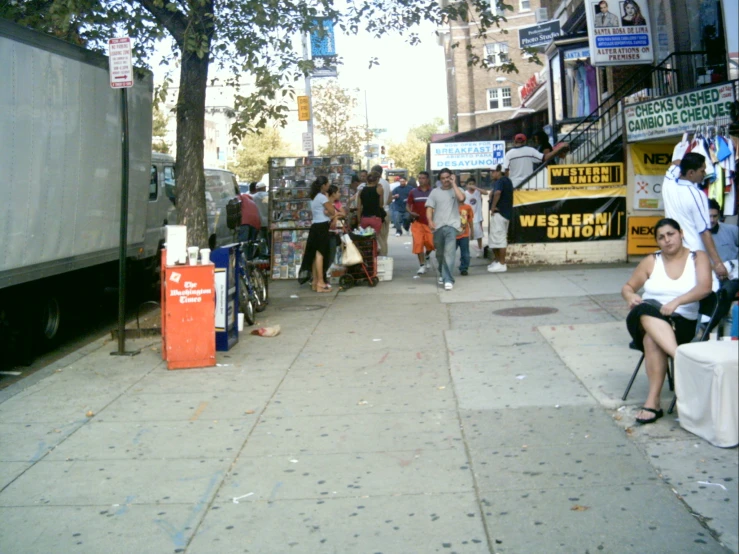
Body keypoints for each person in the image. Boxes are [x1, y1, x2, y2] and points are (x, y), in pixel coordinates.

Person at [621, 218, 711, 424]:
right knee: (644, 309)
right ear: (657, 242)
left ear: (681, 233)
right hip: (648, 318)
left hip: (683, 324)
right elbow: (627, 287)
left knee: (652, 339)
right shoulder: (652, 261)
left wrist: (677, 302)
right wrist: (629, 296)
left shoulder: (698, 257)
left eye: (671, 234)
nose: (667, 240)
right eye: (661, 237)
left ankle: (653, 403)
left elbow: (705, 287)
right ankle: (682, 359)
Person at [662, 152, 729, 281]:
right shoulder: (697, 195)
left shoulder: (668, 183)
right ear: (691, 173)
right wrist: (718, 263)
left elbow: (675, 162)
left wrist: (685, 162)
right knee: (707, 290)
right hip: (694, 253)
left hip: (673, 248)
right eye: (702, 171)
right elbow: (704, 231)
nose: (704, 174)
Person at [426, 168, 465, 290]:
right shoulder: (434, 192)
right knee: (440, 254)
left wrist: (454, 183)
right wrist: (430, 221)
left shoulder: (457, 190)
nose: (445, 180)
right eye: (442, 178)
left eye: (447, 177)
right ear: (440, 180)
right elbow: (428, 207)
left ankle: (448, 279)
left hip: (452, 226)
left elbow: (462, 199)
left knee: (449, 253)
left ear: (451, 177)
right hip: (438, 227)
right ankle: (443, 273)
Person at [297, 176, 334, 292]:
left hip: (315, 226)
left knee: (314, 255)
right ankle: (321, 283)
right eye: (328, 184)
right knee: (320, 254)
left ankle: (315, 282)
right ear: (323, 186)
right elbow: (332, 211)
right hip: (322, 227)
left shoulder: (314, 197)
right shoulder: (322, 197)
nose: (329, 186)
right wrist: (328, 202)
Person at [503, 134, 567, 188]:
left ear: (514, 142)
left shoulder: (509, 154)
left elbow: (506, 170)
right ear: (525, 141)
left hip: (514, 185)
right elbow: (545, 158)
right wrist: (559, 149)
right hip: (528, 184)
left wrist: (507, 185)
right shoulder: (530, 151)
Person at [487, 164, 513, 273]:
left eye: (492, 171)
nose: (491, 174)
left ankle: (502, 264)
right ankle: (498, 262)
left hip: (499, 214)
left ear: (498, 171)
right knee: (495, 239)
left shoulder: (500, 181)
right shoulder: (506, 180)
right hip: (504, 214)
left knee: (500, 239)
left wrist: (492, 207)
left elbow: (498, 193)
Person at [407, 171, 435, 275]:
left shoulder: (433, 192)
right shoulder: (413, 192)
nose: (421, 180)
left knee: (431, 244)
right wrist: (410, 212)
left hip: (430, 223)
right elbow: (408, 205)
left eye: (423, 178)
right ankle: (422, 265)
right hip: (417, 223)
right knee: (418, 243)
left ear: (427, 179)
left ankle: (427, 255)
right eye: (419, 178)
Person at [357, 171, 385, 237]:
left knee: (364, 238)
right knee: (374, 238)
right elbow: (381, 205)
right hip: (376, 218)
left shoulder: (361, 191)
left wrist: (359, 221)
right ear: (377, 180)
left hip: (364, 218)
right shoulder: (380, 189)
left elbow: (359, 207)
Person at [371, 165, 391, 256]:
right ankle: (385, 255)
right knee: (384, 237)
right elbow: (390, 198)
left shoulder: (376, 184)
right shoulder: (386, 183)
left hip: (379, 213)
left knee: (379, 238)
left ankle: (383, 257)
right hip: (386, 211)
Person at [464, 178, 485, 256]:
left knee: (479, 235)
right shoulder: (465, 193)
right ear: (466, 185)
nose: (471, 185)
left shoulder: (477, 192)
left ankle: (480, 249)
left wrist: (475, 188)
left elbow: (486, 193)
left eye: (473, 184)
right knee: (467, 235)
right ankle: (467, 252)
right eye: (470, 184)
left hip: (477, 217)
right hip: (467, 217)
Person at [456, 198, 474, 276]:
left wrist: (472, 231)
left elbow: (470, 220)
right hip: (453, 235)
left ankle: (464, 268)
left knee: (465, 254)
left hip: (464, 234)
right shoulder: (451, 207)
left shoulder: (468, 207)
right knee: (449, 253)